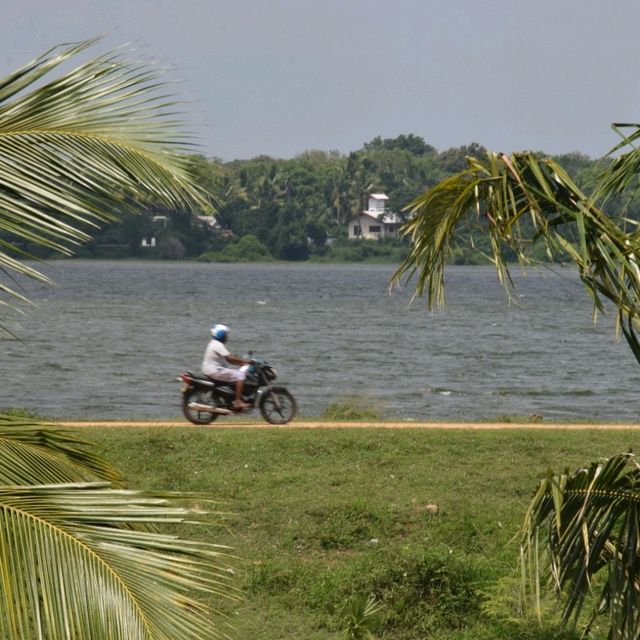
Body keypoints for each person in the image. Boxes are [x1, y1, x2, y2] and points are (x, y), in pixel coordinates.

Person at [202, 324, 252, 410]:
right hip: (215, 371)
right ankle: (238, 401)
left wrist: (242, 363)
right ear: (221, 335)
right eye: (225, 335)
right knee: (240, 375)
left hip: (212, 370)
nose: (227, 337)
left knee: (235, 374)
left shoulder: (214, 344)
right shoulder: (217, 344)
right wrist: (245, 361)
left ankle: (231, 398)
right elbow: (229, 357)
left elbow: (229, 360)